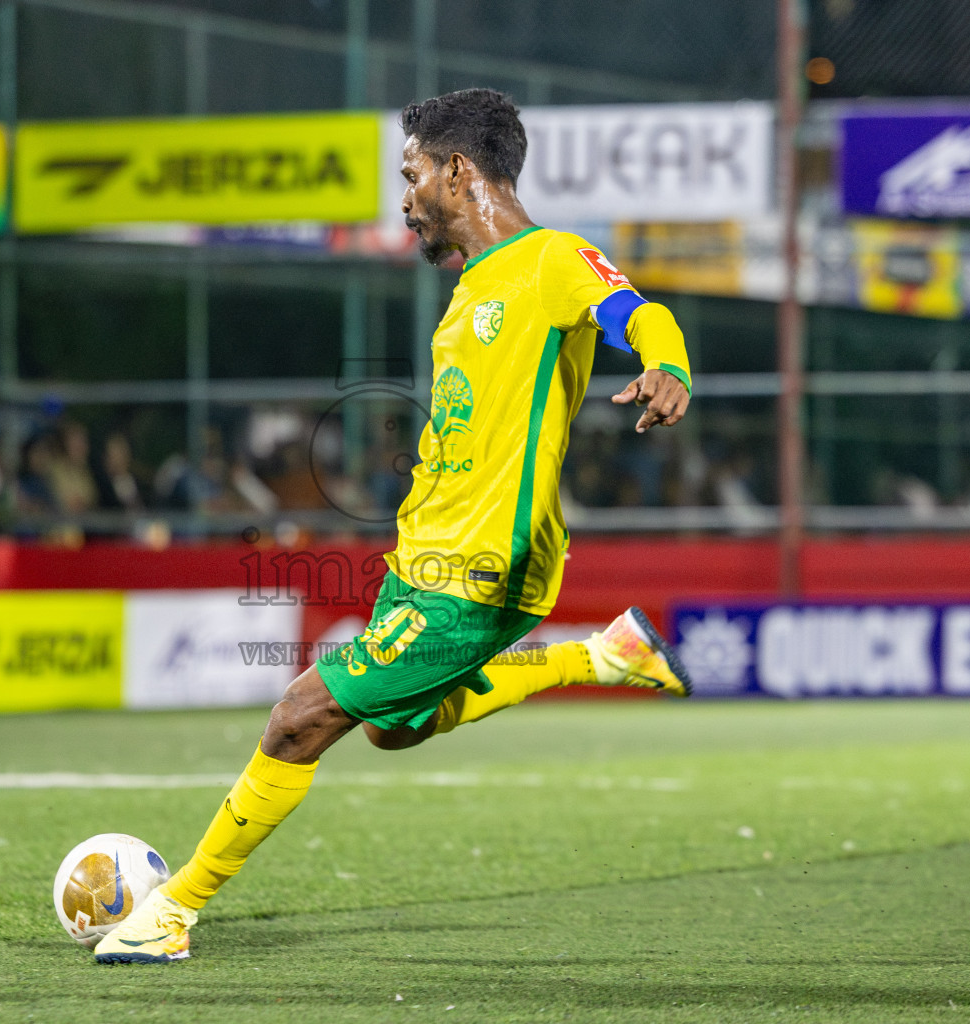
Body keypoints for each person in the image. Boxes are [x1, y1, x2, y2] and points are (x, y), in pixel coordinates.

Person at [95, 89, 694, 966]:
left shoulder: (551, 260)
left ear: (459, 171)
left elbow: (638, 313)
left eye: (411, 176)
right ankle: (603, 656)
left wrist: (666, 365)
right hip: (424, 563)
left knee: (300, 718)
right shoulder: (473, 288)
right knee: (394, 726)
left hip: (483, 569)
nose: (404, 197)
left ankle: (173, 909)